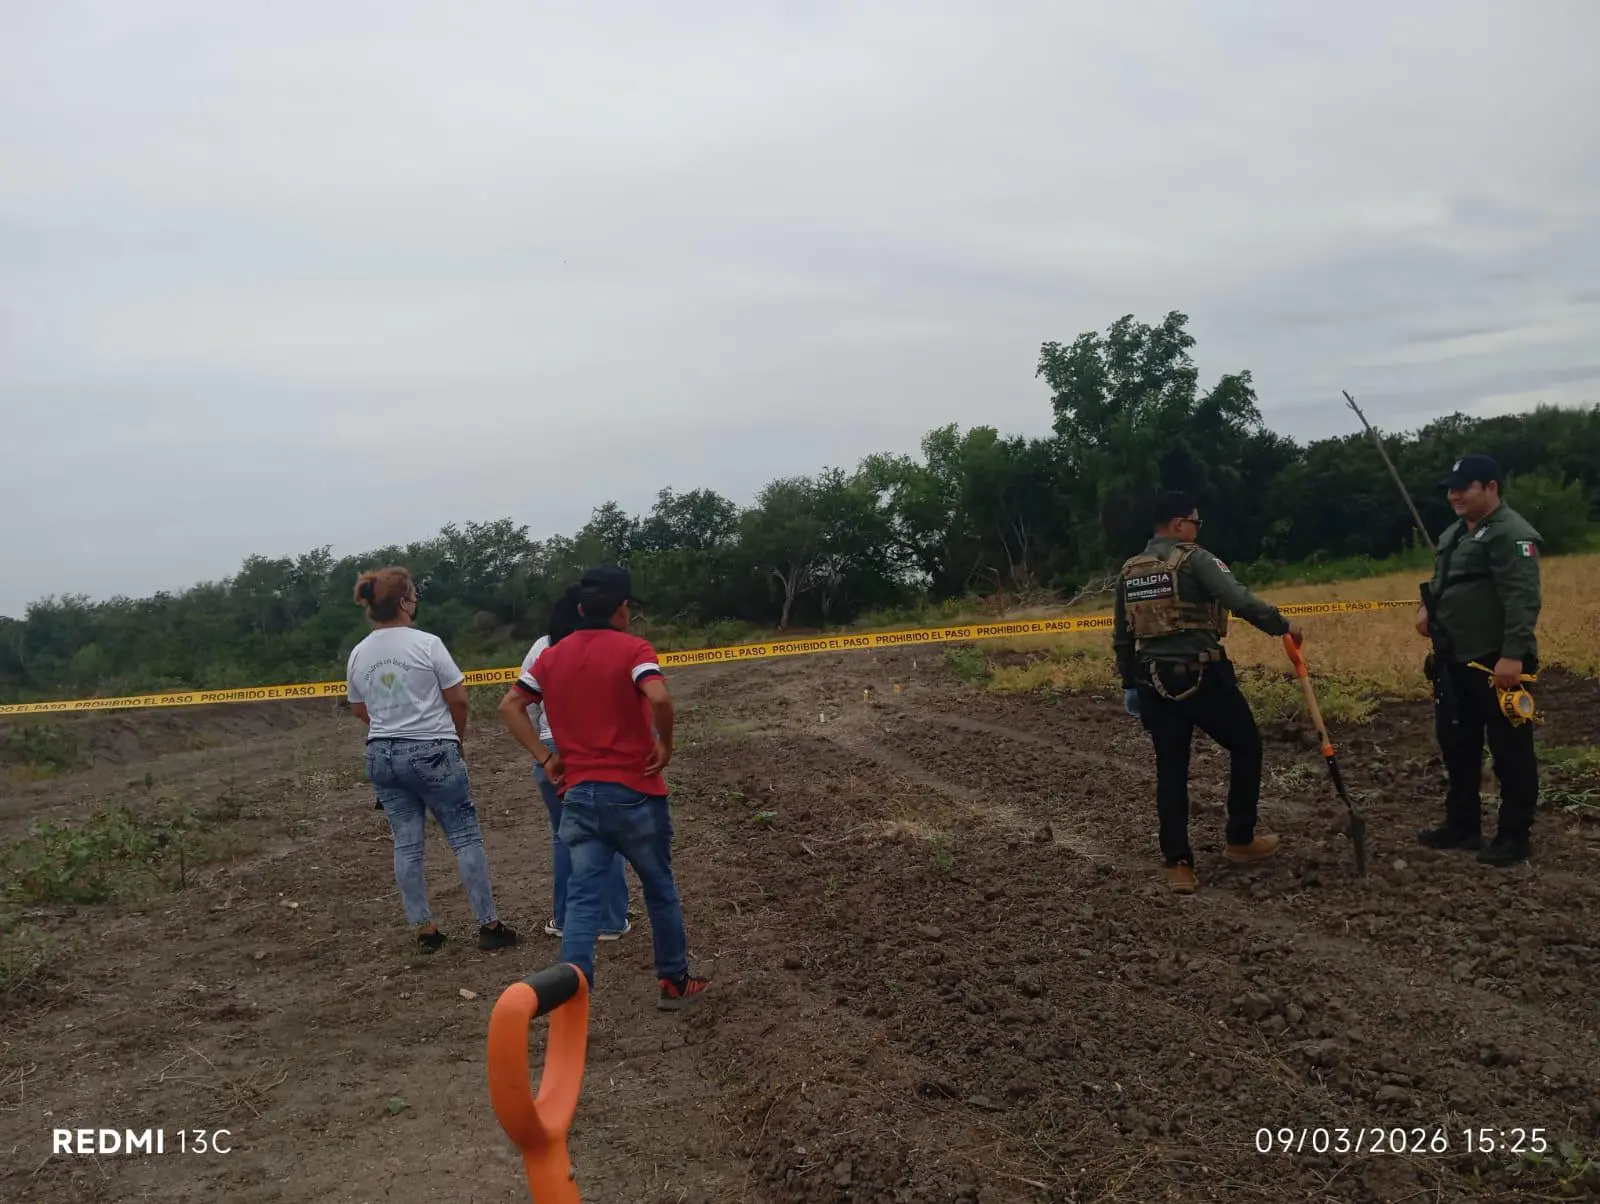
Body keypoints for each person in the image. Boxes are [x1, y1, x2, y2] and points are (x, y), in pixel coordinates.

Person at [498, 565, 708, 1010]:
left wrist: (545, 758)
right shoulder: (634, 649)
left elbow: (511, 705)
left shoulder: (550, 656)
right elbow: (659, 697)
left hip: (579, 796)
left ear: (578, 608)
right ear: (623, 609)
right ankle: (673, 982)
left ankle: (572, 998)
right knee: (659, 888)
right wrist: (665, 745)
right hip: (636, 793)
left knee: (582, 901)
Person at [1112, 492, 1303, 894]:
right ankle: (1240, 839)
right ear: (1180, 524)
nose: (1198, 531)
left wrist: (1129, 682)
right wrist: (1281, 625)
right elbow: (1238, 599)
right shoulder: (1195, 559)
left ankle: (1177, 864)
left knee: (1171, 769)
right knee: (1247, 745)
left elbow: (1122, 635)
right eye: (1196, 524)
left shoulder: (1130, 570)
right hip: (1203, 677)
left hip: (1152, 681)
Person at [346, 566, 518, 952]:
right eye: (414, 595)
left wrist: (390, 726)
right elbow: (458, 698)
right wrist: (455, 738)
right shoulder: (427, 644)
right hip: (432, 751)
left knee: (406, 844)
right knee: (463, 836)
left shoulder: (359, 652)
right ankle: (488, 925)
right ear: (405, 601)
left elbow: (359, 708)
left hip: (381, 755)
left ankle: (425, 930)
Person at [1414, 454, 1543, 867]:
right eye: (1451, 488)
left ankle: (1513, 835)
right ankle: (1463, 824)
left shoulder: (1512, 534)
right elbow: (1443, 582)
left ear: (1490, 487)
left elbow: (1522, 599)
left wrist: (1512, 656)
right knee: (1458, 744)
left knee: (1510, 750)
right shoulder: (1455, 533)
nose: (1454, 495)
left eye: (1464, 487)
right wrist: (1425, 609)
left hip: (1495, 662)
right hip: (1455, 660)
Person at [516, 584, 632, 941]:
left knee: (563, 837)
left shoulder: (543, 647)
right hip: (602, 752)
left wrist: (544, 752)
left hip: (554, 750)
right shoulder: (614, 646)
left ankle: (566, 920)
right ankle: (611, 920)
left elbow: (525, 706)